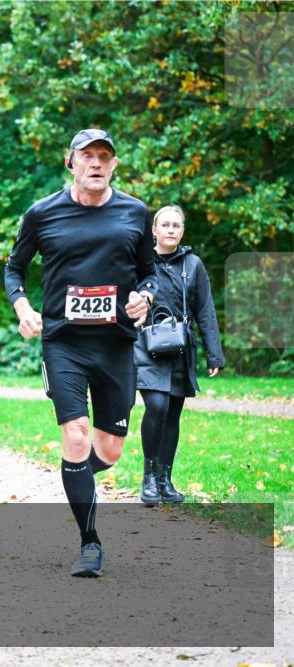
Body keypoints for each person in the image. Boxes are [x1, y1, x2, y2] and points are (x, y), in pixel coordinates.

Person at [3, 128, 156, 577]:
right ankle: (90, 542)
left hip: (115, 345)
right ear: (69, 162)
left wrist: (143, 297)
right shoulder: (43, 213)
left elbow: (149, 273)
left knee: (109, 451)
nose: (95, 163)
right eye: (86, 156)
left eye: (103, 156)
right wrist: (23, 305)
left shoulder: (135, 212)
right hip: (64, 342)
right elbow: (14, 268)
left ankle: (76, 476)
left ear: (114, 165)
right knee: (75, 435)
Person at [136, 205, 224, 505]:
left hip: (180, 348)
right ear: (154, 230)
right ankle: (147, 478)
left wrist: (215, 354)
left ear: (182, 231)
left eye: (176, 225)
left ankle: (165, 480)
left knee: (172, 413)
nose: (171, 229)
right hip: (147, 345)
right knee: (157, 405)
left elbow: (205, 310)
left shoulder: (193, 265)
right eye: (165, 224)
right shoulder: (141, 261)